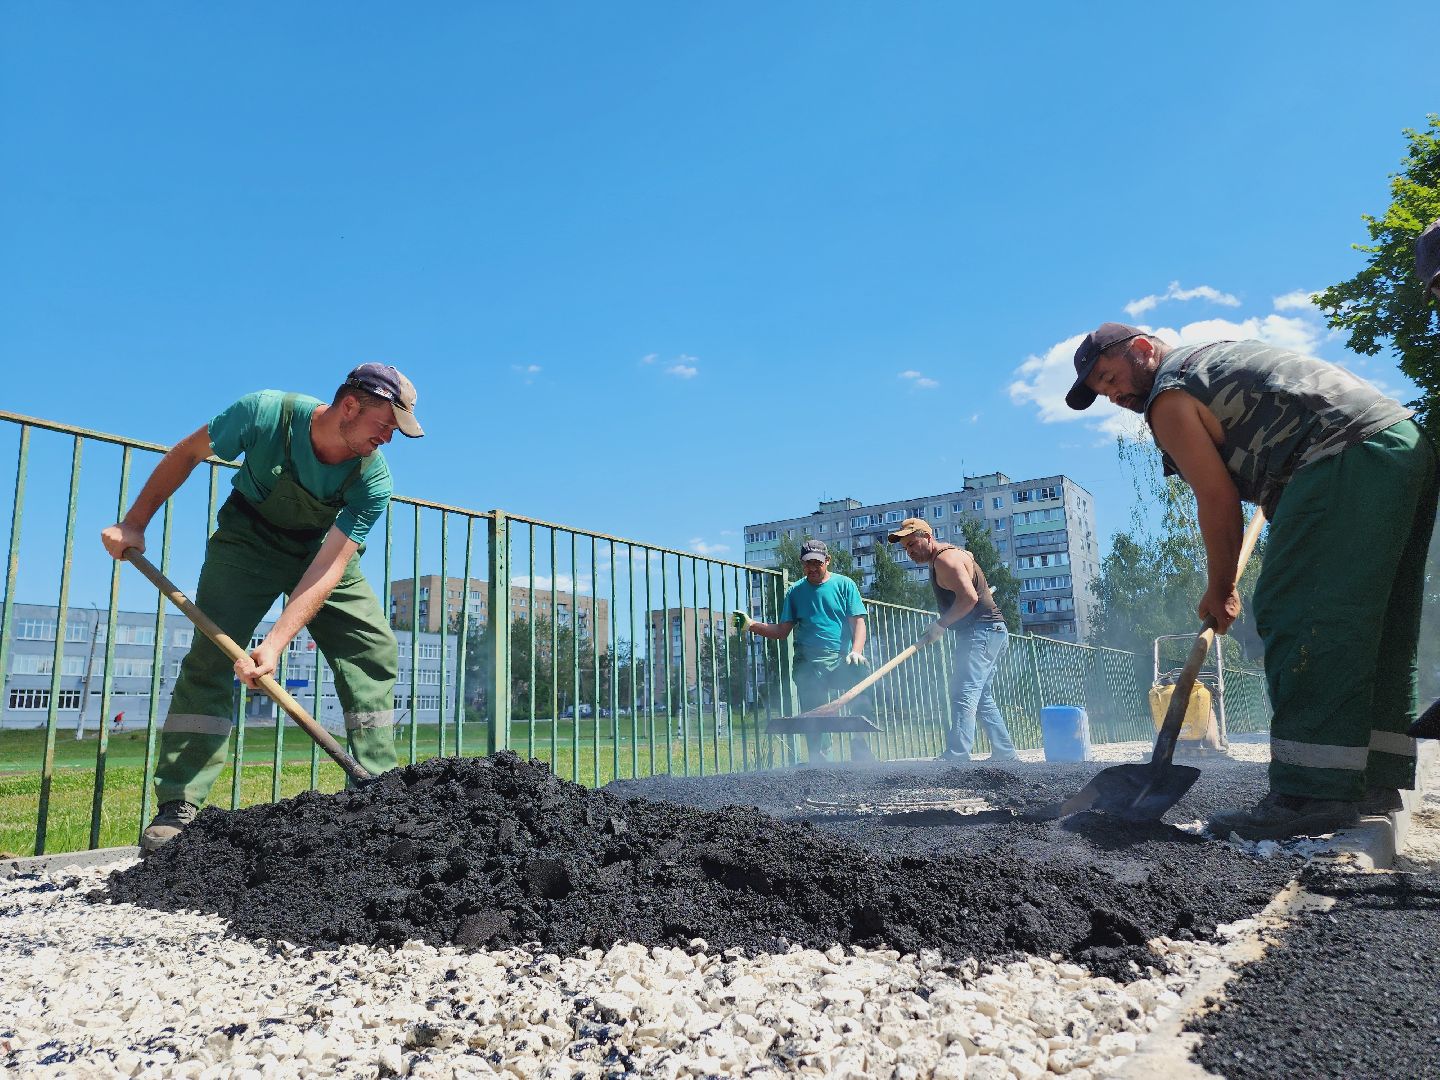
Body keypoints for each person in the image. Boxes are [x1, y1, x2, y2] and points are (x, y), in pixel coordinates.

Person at [1067, 322, 1436, 840]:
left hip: (1341, 458)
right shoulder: (1214, 358)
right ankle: (1373, 779)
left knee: (1301, 613)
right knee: (1376, 622)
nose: (1113, 395)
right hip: (1398, 445)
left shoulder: (1169, 398)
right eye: (1102, 391)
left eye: (1110, 377)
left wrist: (1221, 587)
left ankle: (1312, 791)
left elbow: (1215, 498)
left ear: (1143, 350)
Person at [100, 364, 424, 852]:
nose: (389, 437)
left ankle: (374, 791)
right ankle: (179, 805)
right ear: (351, 406)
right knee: (209, 659)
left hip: (318, 551)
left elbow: (328, 570)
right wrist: (134, 523)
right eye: (385, 424)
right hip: (246, 540)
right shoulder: (264, 413)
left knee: (372, 648)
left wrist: (274, 644)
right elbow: (188, 454)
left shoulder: (371, 480)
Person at [887, 518, 1018, 764]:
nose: (910, 552)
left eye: (913, 544)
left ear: (928, 536)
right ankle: (1005, 753)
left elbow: (968, 598)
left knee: (964, 692)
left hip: (982, 632)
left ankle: (956, 756)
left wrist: (941, 624)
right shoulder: (953, 554)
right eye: (906, 548)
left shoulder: (945, 560)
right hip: (991, 631)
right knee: (981, 696)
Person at [732, 539, 872, 764]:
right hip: (808, 662)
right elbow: (782, 631)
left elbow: (858, 622)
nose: (813, 568)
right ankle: (819, 759)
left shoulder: (845, 585)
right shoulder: (795, 591)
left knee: (861, 677)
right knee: (814, 711)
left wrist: (856, 651)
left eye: (817, 562)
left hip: (839, 659)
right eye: (808, 563)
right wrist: (751, 625)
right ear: (802, 564)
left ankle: (860, 745)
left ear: (827, 561)